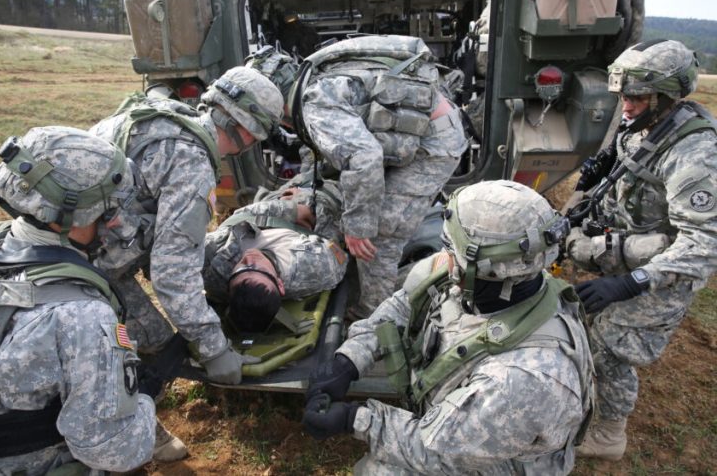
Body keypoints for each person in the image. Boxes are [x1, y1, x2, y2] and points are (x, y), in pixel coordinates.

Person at [303, 180, 593, 475]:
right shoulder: (488, 280)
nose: (446, 259)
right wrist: (349, 360)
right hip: (463, 425)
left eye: (454, 252)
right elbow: (405, 304)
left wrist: (354, 419)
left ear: (485, 267)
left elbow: (435, 451)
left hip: (489, 456)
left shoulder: (524, 378)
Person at [90, 66, 283, 460]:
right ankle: (134, 427)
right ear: (247, 132)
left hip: (72, 240)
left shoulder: (156, 115)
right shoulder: (191, 162)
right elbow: (172, 275)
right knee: (152, 346)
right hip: (89, 269)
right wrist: (214, 349)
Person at [0, 127, 156, 474]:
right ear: (74, 218)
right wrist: (144, 401)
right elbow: (115, 450)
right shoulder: (81, 314)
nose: (116, 220)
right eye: (109, 209)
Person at [565, 39, 717, 461]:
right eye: (623, 96)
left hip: (665, 274)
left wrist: (631, 283)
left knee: (608, 344)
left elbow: (704, 245)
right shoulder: (646, 124)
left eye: (636, 97)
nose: (626, 107)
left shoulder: (695, 153)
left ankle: (609, 435)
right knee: (581, 323)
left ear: (667, 94)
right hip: (631, 254)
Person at [260, 35, 468, 320]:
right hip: (422, 133)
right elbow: (327, 153)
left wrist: (358, 227)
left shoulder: (314, 104)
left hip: (433, 146)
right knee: (367, 218)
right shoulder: (314, 84)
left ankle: (374, 316)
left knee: (381, 233)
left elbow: (364, 157)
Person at [202, 175, 348, 333]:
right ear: (280, 284)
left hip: (274, 198)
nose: (249, 258)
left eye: (240, 268)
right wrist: (301, 206)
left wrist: (290, 210)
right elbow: (337, 247)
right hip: (318, 196)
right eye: (257, 267)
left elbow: (239, 217)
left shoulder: (214, 270)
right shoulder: (312, 266)